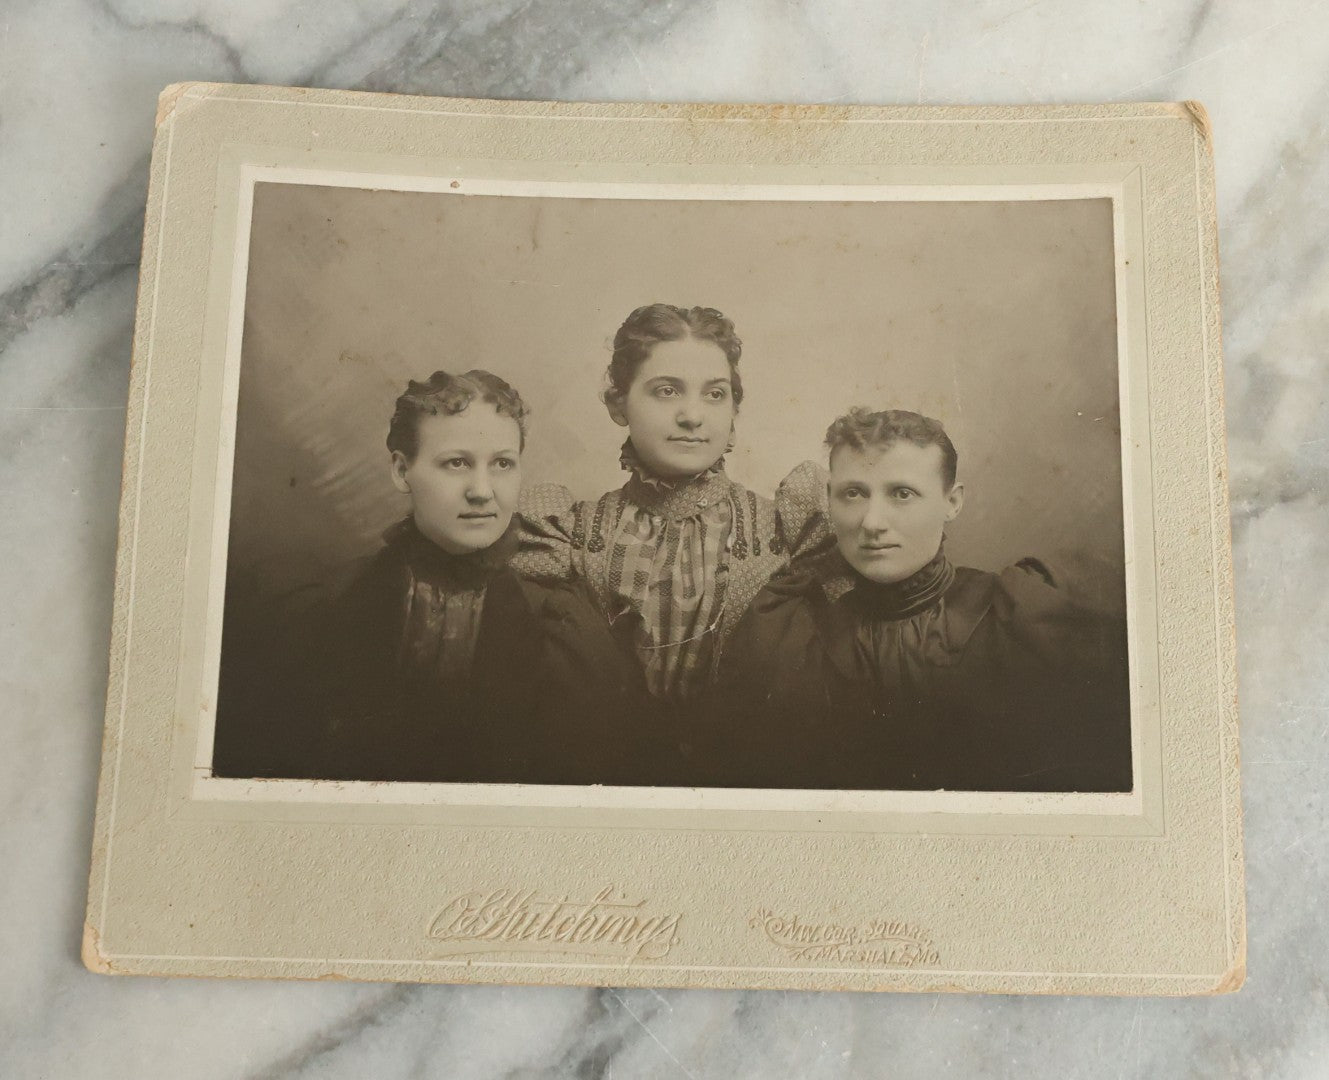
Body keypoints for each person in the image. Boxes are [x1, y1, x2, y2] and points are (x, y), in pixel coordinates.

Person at [214, 368, 625, 783]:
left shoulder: (560, 623)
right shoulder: (327, 605)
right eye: (456, 463)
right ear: (401, 471)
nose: (482, 491)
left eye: (502, 463)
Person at [716, 407, 1133, 792]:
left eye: (902, 494)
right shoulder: (794, 636)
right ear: (829, 499)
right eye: (853, 494)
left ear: (952, 502)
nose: (872, 523)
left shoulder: (1019, 616)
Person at [513, 304, 828, 783]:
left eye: (715, 394)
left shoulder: (785, 530)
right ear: (619, 405)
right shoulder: (567, 531)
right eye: (666, 391)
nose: (692, 416)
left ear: (734, 412)